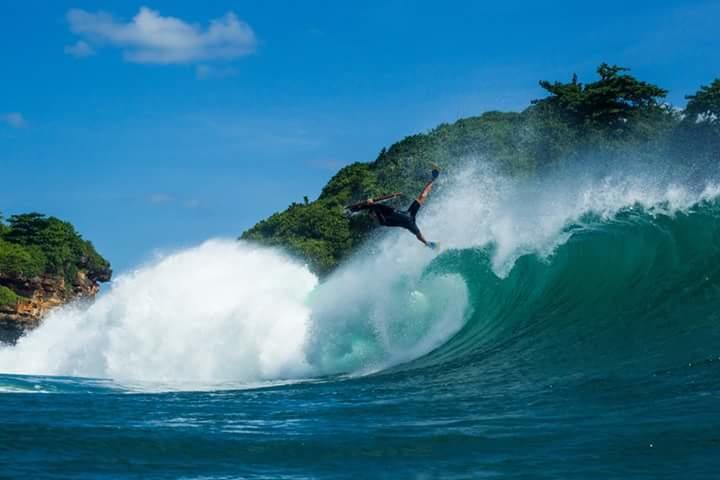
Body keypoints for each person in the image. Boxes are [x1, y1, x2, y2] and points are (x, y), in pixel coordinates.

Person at [359, 167, 440, 249]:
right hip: (409, 222)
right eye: (372, 216)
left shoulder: (383, 215)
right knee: (419, 235)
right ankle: (429, 245)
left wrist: (372, 204)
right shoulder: (383, 221)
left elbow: (379, 208)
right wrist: (371, 204)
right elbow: (379, 210)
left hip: (409, 216)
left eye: (372, 215)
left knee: (422, 196)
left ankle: (432, 179)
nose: (373, 217)